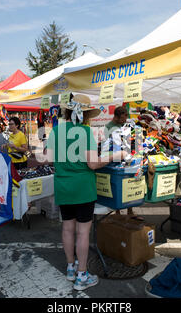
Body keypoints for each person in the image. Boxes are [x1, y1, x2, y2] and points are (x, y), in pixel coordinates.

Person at [46, 94, 127, 291]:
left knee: (67, 228)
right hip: (83, 187)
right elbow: (93, 163)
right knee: (83, 232)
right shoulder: (85, 132)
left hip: (63, 186)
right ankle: (82, 275)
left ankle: (71, 268)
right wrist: (115, 155)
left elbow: (49, 159)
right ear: (85, 115)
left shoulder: (56, 131)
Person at [104, 106, 136, 217]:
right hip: (114, 158)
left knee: (128, 182)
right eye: (122, 119)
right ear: (116, 117)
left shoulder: (124, 125)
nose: (124, 121)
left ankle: (130, 210)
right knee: (117, 186)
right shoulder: (108, 127)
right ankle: (117, 211)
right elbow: (106, 145)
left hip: (126, 157)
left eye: (125, 119)